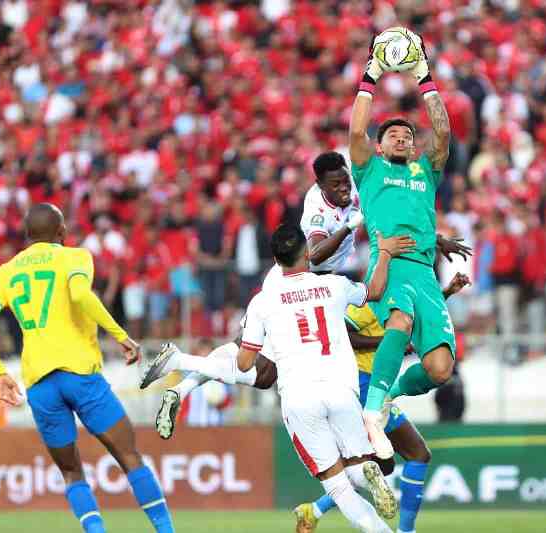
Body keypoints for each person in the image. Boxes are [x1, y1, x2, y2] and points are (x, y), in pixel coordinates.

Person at [150, 152, 471, 441]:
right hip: (299, 283)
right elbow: (315, 253)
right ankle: (179, 362)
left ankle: (180, 386)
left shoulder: (354, 193)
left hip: (308, 286)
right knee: (261, 373)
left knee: (247, 359)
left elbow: (387, 215)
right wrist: (349, 226)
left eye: (346, 181)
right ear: (321, 186)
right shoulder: (316, 208)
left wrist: (437, 241)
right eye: (336, 185)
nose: (345, 189)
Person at [142, 224, 417, 533]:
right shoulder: (334, 285)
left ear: (274, 258)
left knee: (338, 487)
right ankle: (366, 470)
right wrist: (386, 254)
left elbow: (245, 364)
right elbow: (375, 290)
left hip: (299, 398)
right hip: (341, 389)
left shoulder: (264, 300)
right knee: (356, 465)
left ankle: (181, 361)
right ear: (307, 254)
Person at [0, 203, 174, 533]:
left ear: (27, 236)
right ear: (62, 232)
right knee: (129, 456)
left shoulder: (7, 270)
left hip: (39, 383)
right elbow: (80, 295)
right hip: (80, 374)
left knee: (71, 472)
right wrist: (121, 336)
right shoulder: (75, 257)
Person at [293, 272, 471, 533]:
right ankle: (405, 531)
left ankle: (315, 509)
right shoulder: (367, 303)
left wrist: (446, 292)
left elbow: (412, 315)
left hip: (371, 387)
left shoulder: (397, 297)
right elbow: (342, 333)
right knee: (417, 454)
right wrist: (387, 341)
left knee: (381, 464)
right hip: (362, 386)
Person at [349, 30, 456, 457]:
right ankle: (372, 413)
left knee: (439, 369)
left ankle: (388, 394)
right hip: (390, 261)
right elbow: (357, 130)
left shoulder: (424, 173)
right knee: (400, 320)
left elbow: (443, 135)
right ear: (379, 146)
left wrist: (424, 77)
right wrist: (371, 74)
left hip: (425, 273)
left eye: (407, 136)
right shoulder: (369, 170)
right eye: (392, 135)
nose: (401, 138)